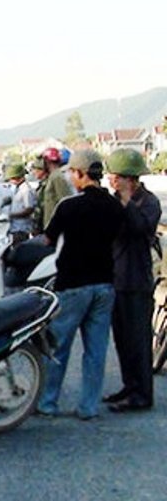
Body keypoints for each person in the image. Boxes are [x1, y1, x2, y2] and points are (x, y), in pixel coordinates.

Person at [35, 149, 123, 420]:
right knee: (96, 351)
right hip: (105, 284)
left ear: (81, 174)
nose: (71, 177)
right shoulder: (114, 206)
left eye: (73, 172)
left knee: (58, 346)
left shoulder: (69, 206)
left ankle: (48, 403)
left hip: (72, 285)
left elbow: (48, 239)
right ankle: (88, 407)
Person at [103, 148, 161, 412]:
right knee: (123, 340)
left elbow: (140, 229)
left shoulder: (148, 202)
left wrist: (127, 202)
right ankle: (129, 386)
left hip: (136, 280)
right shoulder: (114, 201)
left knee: (138, 341)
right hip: (116, 278)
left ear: (131, 178)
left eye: (117, 177)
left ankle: (142, 395)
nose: (113, 181)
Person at [38, 146, 74, 230]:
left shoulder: (57, 177)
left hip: (57, 228)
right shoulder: (53, 176)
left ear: (46, 161)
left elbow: (64, 201)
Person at [5, 163, 36, 244]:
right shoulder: (17, 189)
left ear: (18, 178)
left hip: (21, 228)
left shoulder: (26, 190)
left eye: (12, 179)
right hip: (14, 228)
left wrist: (11, 215)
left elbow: (29, 209)